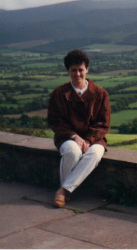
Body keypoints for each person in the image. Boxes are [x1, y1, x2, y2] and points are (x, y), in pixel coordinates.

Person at [47, 49, 111, 208]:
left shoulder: (101, 94)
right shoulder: (58, 94)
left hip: (95, 137)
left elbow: (103, 123)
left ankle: (63, 191)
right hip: (67, 136)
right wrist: (74, 136)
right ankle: (67, 190)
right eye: (73, 70)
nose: (77, 74)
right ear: (67, 71)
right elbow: (55, 121)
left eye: (81, 70)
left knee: (95, 153)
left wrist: (89, 139)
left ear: (87, 69)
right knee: (72, 152)